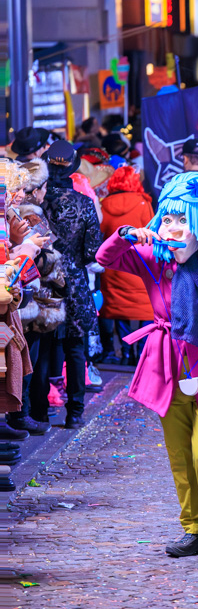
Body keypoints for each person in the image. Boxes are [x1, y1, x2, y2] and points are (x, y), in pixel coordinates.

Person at [96, 171, 198, 561]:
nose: (174, 228)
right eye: (169, 218)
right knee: (180, 453)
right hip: (168, 365)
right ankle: (195, 529)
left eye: (185, 220)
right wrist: (128, 233)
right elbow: (105, 257)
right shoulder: (155, 259)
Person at [42, 141, 103, 429]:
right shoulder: (84, 203)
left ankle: (37, 412)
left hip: (42, 282)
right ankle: (75, 414)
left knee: (41, 348)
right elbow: (94, 252)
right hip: (76, 282)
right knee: (75, 349)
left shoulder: (38, 202)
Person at [7, 159, 66, 435]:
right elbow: (41, 258)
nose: (17, 195)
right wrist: (28, 246)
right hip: (25, 297)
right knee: (23, 360)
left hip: (22, 295)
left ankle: (22, 413)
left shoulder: (15, 212)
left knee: (23, 359)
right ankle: (20, 414)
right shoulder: (25, 214)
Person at [99, 166, 154, 363]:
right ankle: (143, 353)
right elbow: (151, 235)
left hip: (115, 267)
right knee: (145, 307)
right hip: (140, 265)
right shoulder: (143, 203)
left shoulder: (105, 204)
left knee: (119, 308)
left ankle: (125, 351)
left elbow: (102, 235)